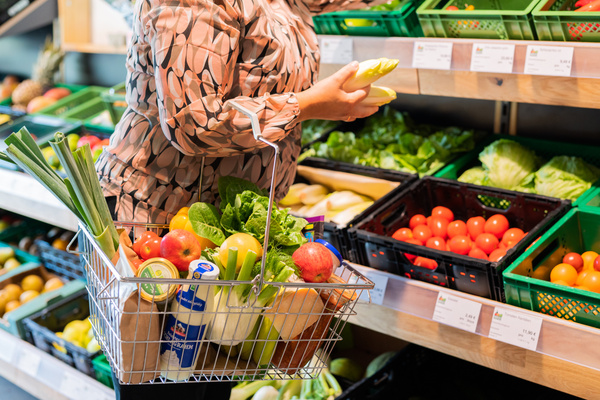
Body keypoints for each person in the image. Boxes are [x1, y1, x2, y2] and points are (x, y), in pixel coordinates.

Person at [97, 0, 388, 397]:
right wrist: (307, 105)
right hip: (158, 217)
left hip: (228, 226)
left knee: (216, 376)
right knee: (164, 382)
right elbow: (193, 122)